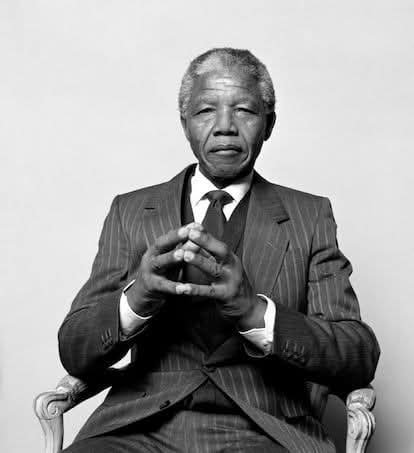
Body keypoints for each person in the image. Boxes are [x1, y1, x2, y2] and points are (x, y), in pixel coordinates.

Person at [59, 48, 380, 453]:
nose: (225, 127)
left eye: (243, 110)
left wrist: (254, 312)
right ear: (185, 124)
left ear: (268, 124)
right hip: (138, 429)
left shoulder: (309, 216)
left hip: (262, 430)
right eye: (206, 110)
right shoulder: (131, 211)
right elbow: (74, 349)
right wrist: (136, 298)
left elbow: (358, 354)